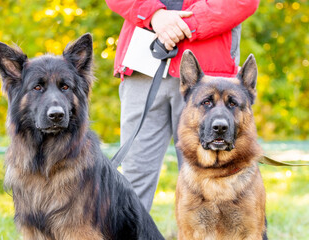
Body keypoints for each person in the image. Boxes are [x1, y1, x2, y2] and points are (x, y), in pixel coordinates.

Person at [105, 0, 260, 211]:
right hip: (143, 65)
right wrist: (155, 16)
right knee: (134, 177)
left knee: (212, 174)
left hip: (210, 73)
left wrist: (184, 24)